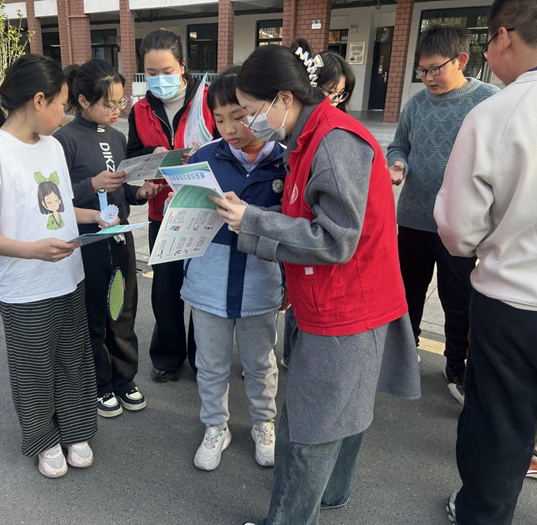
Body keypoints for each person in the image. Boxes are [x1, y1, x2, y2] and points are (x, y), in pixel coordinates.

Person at [208, 40, 421, 525]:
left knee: (309, 428)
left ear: (284, 98)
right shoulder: (312, 135)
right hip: (345, 299)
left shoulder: (333, 142)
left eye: (251, 110)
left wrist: (251, 220)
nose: (249, 122)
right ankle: (332, 495)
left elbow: (335, 239)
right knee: (342, 414)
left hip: (344, 307)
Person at [0, 54, 115, 478]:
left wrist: (94, 217)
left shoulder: (52, 146)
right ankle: (43, 440)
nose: (65, 114)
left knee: (73, 358)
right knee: (34, 367)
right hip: (24, 286)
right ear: (38, 100)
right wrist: (33, 251)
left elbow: (60, 206)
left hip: (68, 275)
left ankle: (75, 430)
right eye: (61, 104)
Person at [433, 1, 537, 522]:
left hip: (511, 301)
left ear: (503, 36)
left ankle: (482, 514)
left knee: (499, 424)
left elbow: (458, 230)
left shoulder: (498, 112)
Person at [180, 66, 286, 471]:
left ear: (257, 110)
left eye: (238, 117)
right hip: (209, 281)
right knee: (211, 364)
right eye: (219, 119)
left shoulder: (285, 160)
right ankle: (215, 426)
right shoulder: (204, 158)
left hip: (261, 282)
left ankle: (263, 423)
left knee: (261, 363)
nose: (228, 129)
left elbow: (295, 226)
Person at [387, 24, 499, 404]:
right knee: (408, 292)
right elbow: (398, 146)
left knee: (458, 297)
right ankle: (405, 354)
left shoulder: (488, 101)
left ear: (461, 60)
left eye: (435, 69)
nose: (427, 78)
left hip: (461, 222)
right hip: (414, 217)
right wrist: (398, 163)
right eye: (422, 70)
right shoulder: (416, 104)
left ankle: (456, 367)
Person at [54, 60, 161, 418]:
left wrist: (139, 193)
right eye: (108, 104)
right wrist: (93, 184)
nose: (117, 110)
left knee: (124, 310)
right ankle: (100, 385)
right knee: (96, 313)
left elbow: (120, 190)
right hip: (88, 240)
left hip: (120, 236)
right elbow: (55, 199)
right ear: (83, 101)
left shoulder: (116, 137)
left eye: (121, 102)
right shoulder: (64, 140)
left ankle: (125, 380)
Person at [127, 28, 218, 382]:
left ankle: (201, 357)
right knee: (165, 290)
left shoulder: (208, 100)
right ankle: (167, 356)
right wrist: (152, 156)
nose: (159, 79)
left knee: (202, 289)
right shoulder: (140, 110)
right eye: (151, 73)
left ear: (182, 65)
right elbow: (132, 154)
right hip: (161, 212)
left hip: (205, 210)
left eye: (166, 71)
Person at [281, 44, 357, 369]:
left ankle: (297, 356)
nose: (332, 100)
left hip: (317, 243)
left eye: (340, 95)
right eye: (327, 92)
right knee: (294, 296)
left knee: (307, 299)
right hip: (297, 234)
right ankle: (291, 353)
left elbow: (337, 239)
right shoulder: (295, 131)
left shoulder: (336, 137)